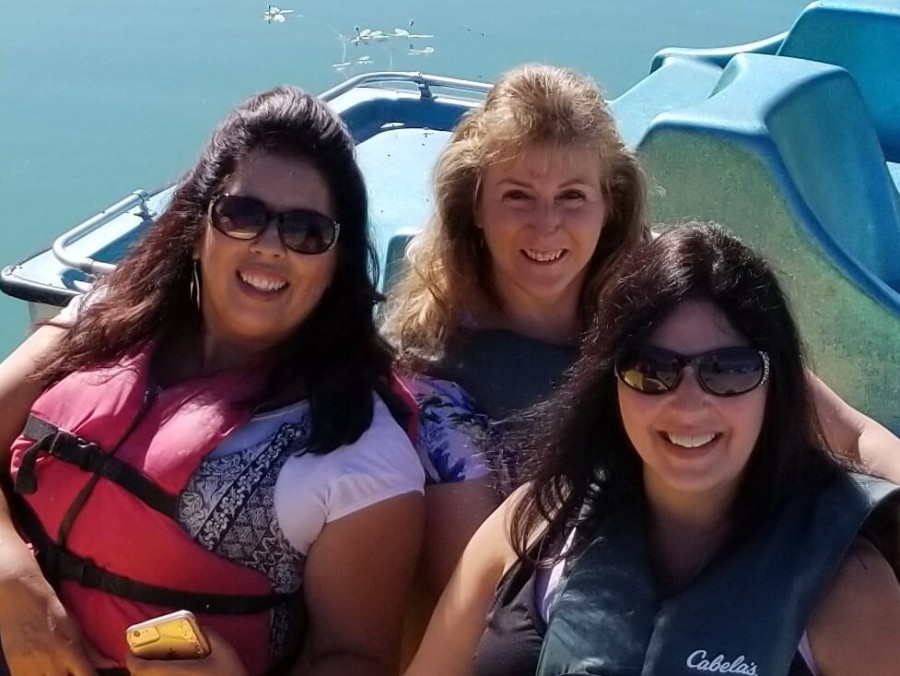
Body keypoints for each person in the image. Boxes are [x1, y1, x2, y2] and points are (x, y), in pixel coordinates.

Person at [383, 63, 900, 595]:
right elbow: (483, 600)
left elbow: (854, 436)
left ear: (611, 204)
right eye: (517, 195)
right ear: (474, 205)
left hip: (759, 569)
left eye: (573, 196)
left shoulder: (672, 299)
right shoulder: (438, 380)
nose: (546, 224)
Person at [0, 86, 425, 676]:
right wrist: (11, 577)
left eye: (306, 231)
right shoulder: (101, 317)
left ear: (337, 263)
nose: (270, 247)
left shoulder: (360, 457)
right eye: (243, 215)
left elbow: (354, 659)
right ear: (199, 230)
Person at [406, 223, 900, 676]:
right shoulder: (534, 525)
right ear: (610, 382)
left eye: (728, 370)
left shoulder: (850, 592)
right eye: (652, 369)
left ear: (776, 387)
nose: (688, 404)